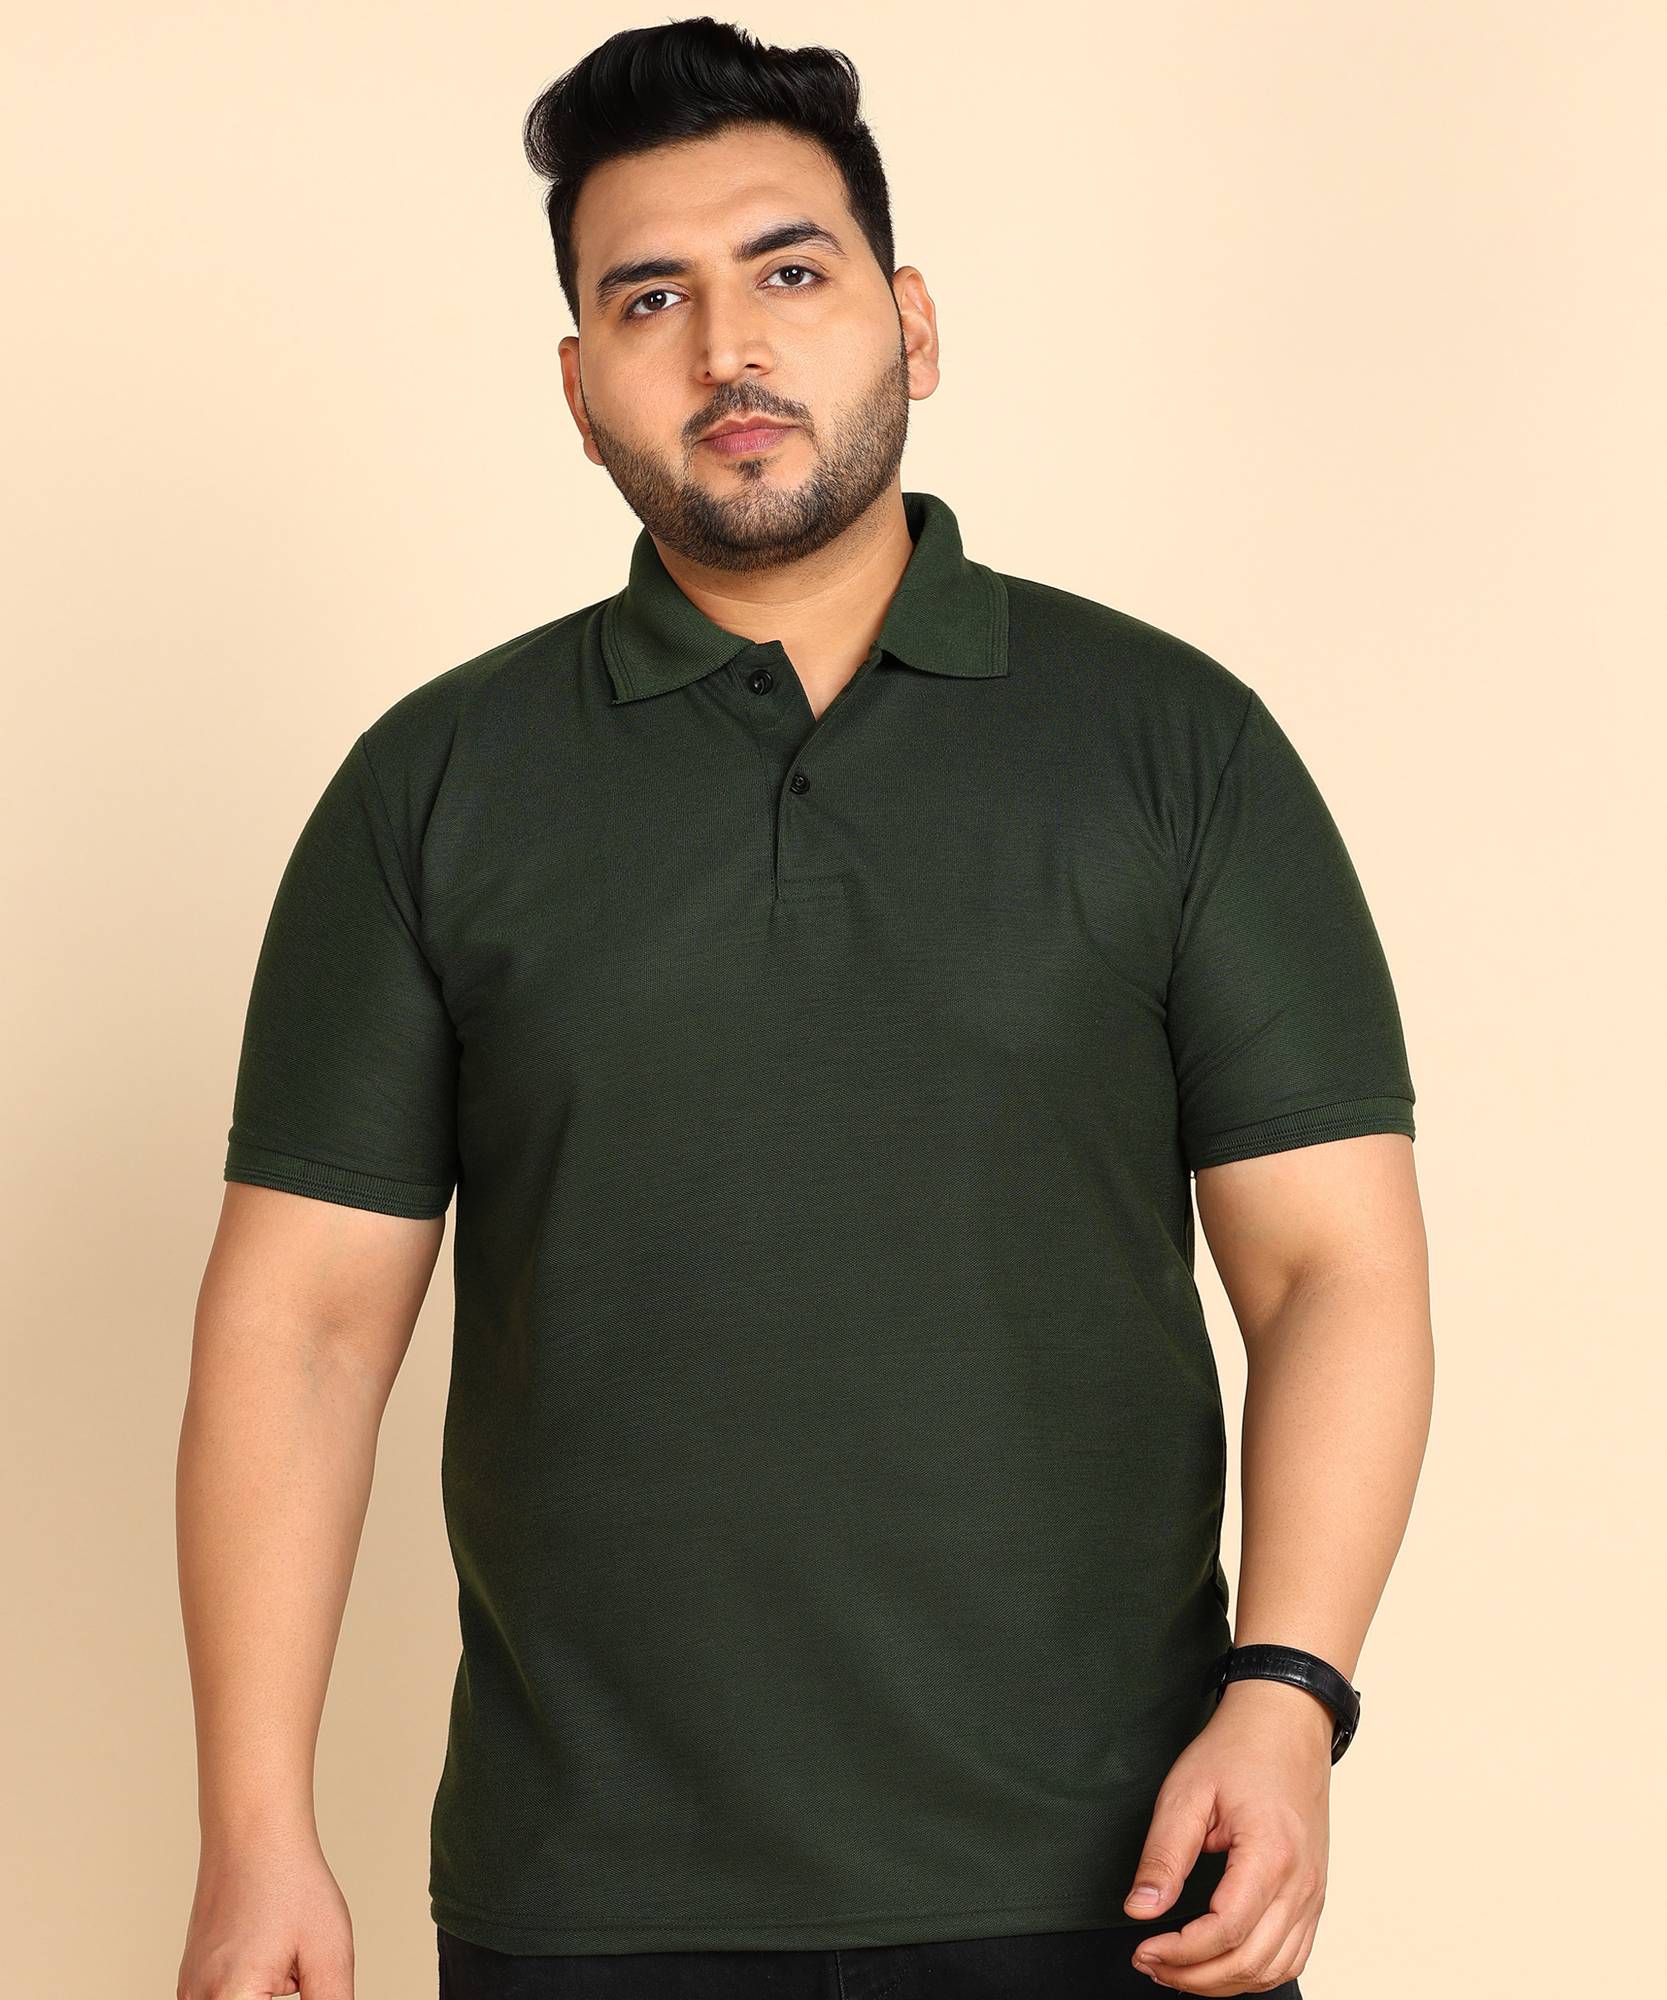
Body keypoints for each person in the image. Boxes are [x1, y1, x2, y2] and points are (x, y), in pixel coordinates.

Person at [175, 17, 1434, 2000]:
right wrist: (255, 1833)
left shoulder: (1177, 749)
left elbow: (1330, 1270)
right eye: (648, 298)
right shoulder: (432, 789)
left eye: (789, 270)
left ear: (910, 324)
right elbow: (305, 1331)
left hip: (1121, 1878)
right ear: (579, 388)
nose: (726, 348)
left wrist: (1289, 1695)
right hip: (586, 1906)